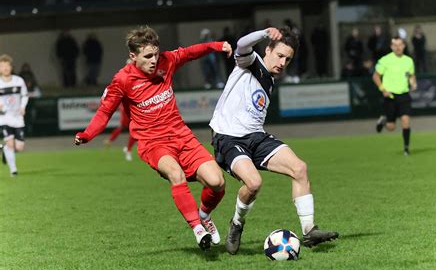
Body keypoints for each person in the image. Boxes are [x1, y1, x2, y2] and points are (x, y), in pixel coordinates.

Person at [74, 26, 233, 251]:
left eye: (156, 54)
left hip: (181, 135)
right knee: (175, 174)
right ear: (133, 56)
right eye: (147, 56)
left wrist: (217, 45)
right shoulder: (122, 80)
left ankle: (204, 215)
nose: (153, 60)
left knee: (217, 183)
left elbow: (190, 52)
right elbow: (104, 112)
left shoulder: (166, 62)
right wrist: (87, 134)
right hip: (153, 143)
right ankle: (198, 230)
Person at [209, 27, 339, 255]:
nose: (282, 62)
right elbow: (241, 43)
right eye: (279, 55)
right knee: (254, 183)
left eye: (287, 59)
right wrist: (263, 33)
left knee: (299, 168)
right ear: (268, 49)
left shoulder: (269, 80)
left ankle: (309, 230)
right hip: (228, 138)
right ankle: (237, 224)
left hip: (256, 136)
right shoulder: (251, 62)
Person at [372, 36, 417, 156]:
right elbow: (375, 76)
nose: (398, 47)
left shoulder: (408, 61)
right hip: (390, 96)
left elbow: (411, 75)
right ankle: (384, 121)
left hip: (404, 95)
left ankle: (406, 149)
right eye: (395, 45)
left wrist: (413, 83)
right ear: (391, 47)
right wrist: (383, 89)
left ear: (404, 46)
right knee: (391, 128)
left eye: (400, 45)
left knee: (406, 120)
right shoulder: (385, 60)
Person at [0, 54, 29, 177]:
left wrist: (23, 107)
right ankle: (14, 171)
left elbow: (25, 95)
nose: (5, 68)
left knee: (20, 147)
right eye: (2, 66)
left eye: (7, 66)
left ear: (11, 67)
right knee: (10, 143)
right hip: (4, 117)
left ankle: (4, 149)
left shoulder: (19, 80)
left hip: (17, 118)